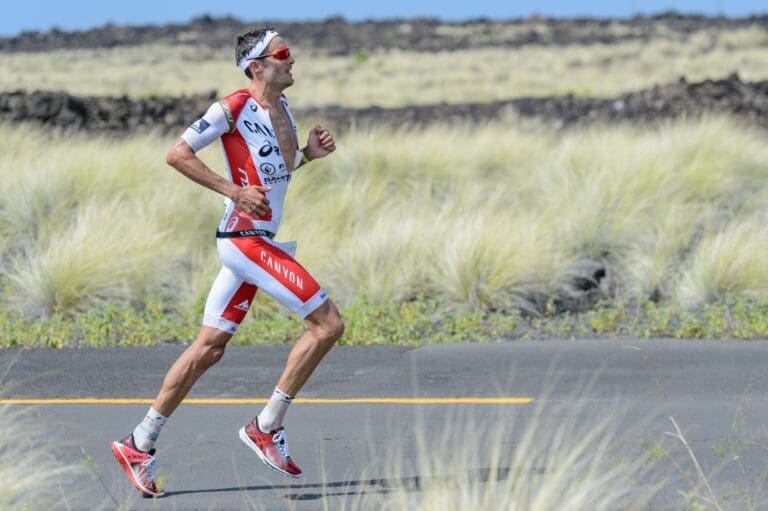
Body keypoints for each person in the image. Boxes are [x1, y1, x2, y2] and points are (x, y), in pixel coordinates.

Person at [110, 27, 345, 498]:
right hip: (242, 240)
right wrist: (233, 191)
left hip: (256, 241)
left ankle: (140, 442)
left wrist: (307, 158)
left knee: (209, 349)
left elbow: (271, 176)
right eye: (283, 54)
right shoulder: (232, 107)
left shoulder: (284, 110)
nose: (292, 60)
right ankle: (266, 426)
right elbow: (177, 154)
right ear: (257, 67)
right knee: (327, 326)